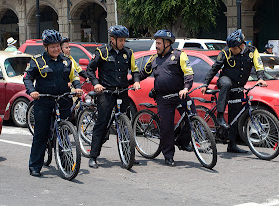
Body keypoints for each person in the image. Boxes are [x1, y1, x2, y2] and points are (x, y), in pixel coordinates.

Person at [23, 29, 83, 177]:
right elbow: (28, 78)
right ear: (46, 47)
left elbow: (74, 76)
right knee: (41, 134)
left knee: (63, 133)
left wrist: (77, 87)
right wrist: (32, 91)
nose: (56, 49)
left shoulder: (66, 60)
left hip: (63, 100)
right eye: (52, 46)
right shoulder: (37, 61)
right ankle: (35, 166)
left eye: (58, 46)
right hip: (43, 101)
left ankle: (67, 163)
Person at [201, 29, 268, 153]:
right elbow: (215, 68)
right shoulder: (225, 52)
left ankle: (231, 145)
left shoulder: (252, 51)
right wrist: (205, 83)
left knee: (234, 116)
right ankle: (220, 115)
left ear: (241, 45)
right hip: (226, 81)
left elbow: (259, 66)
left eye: (234, 48)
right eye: (230, 48)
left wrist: (260, 79)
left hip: (238, 86)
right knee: (226, 84)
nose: (231, 50)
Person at [135, 29, 195, 166]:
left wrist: (186, 88)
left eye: (159, 43)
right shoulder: (154, 59)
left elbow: (188, 74)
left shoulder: (180, 56)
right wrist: (134, 80)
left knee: (192, 115)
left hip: (181, 94)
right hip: (163, 98)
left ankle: (183, 142)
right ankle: (168, 156)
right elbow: (144, 73)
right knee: (166, 127)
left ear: (167, 44)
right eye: (156, 43)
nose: (156, 46)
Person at [86, 25, 140, 169]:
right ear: (112, 39)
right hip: (106, 92)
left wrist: (136, 81)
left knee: (125, 123)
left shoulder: (128, 53)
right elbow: (90, 69)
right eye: (120, 40)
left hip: (122, 91)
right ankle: (93, 157)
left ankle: (129, 155)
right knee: (102, 123)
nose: (123, 43)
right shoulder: (102, 52)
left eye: (124, 40)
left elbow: (134, 70)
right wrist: (96, 84)